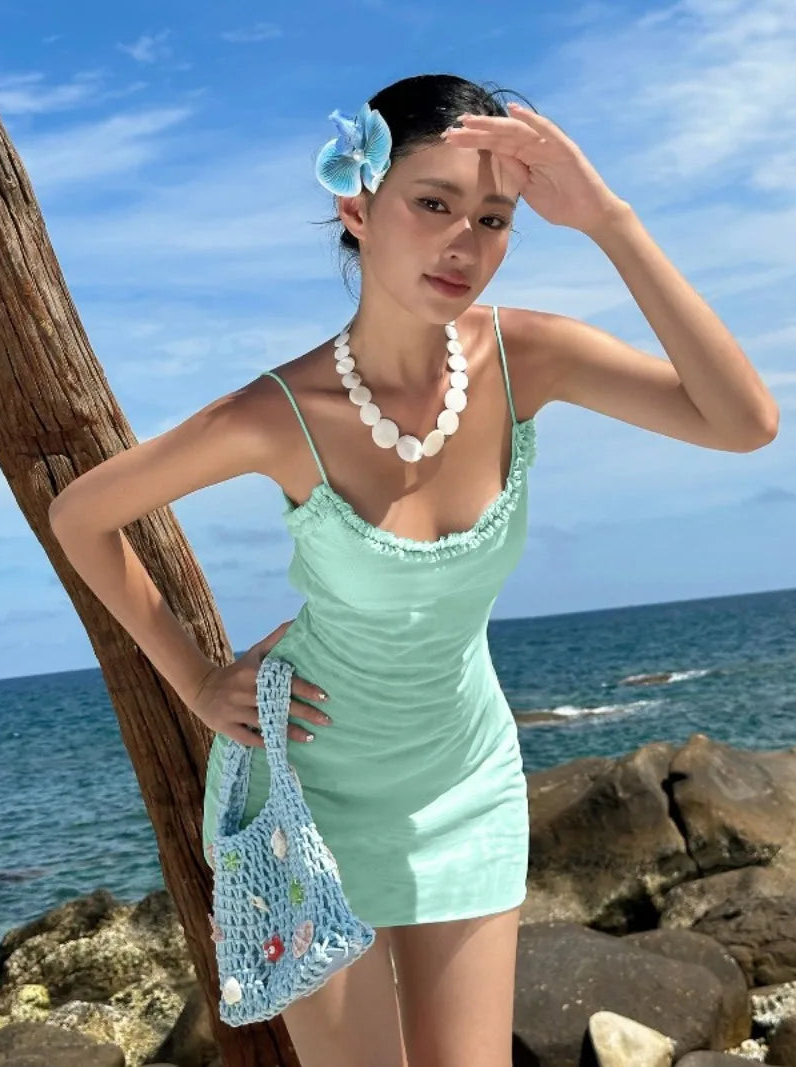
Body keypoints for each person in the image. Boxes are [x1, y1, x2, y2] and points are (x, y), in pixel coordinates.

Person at [49, 72, 778, 1067]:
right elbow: (82, 514)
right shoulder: (282, 412)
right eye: (431, 202)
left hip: (462, 775)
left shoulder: (529, 357)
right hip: (308, 793)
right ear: (358, 206)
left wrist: (605, 219)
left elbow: (744, 422)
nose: (462, 241)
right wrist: (195, 678)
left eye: (493, 216)